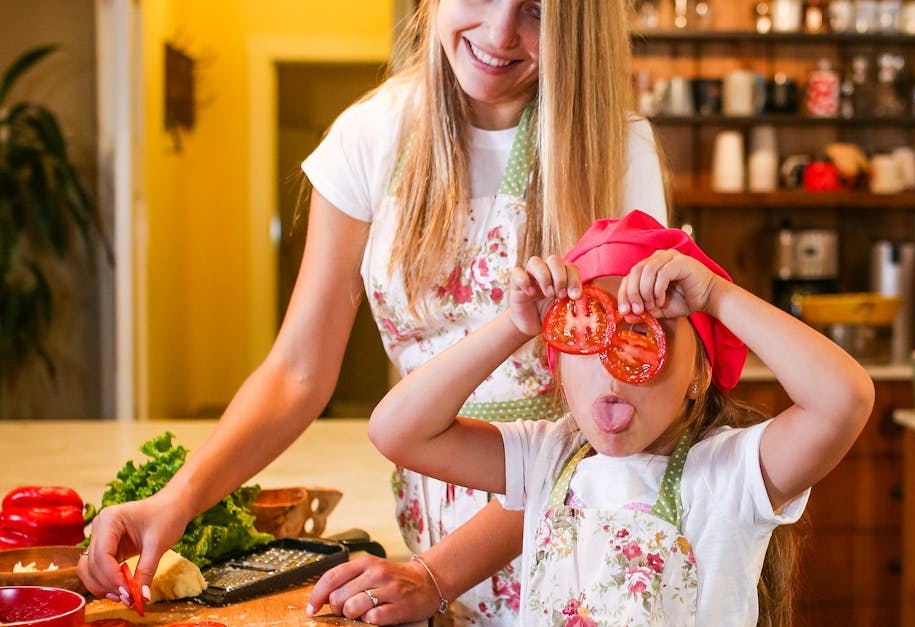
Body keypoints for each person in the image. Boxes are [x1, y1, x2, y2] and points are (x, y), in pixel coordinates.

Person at [78, 1, 667, 624]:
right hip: (425, 550)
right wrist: (178, 500)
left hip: (576, 540)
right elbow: (298, 373)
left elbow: (624, 421)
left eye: (536, 10)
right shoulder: (371, 136)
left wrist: (438, 573)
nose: (499, 33)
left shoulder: (615, 149)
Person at [368, 211, 875, 625]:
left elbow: (843, 399)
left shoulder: (731, 475)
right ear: (559, 367)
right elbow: (397, 432)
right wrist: (514, 326)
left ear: (700, 372)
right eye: (586, 336)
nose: (612, 369)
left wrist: (717, 297)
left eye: (641, 333)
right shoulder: (547, 457)